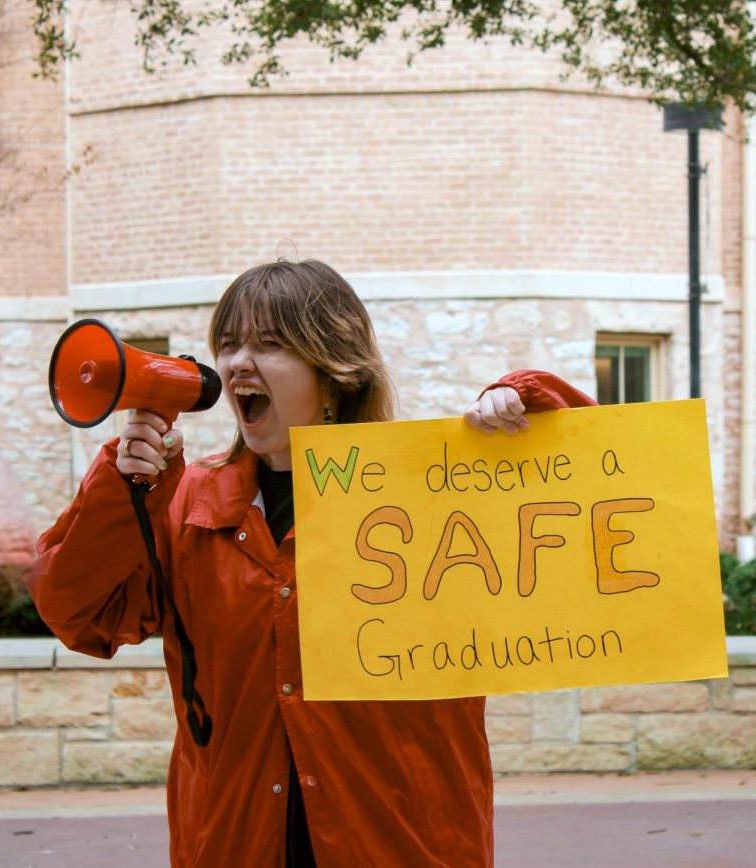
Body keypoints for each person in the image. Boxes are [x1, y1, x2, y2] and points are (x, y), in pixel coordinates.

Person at [30, 259, 596, 868]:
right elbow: (77, 615)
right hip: (233, 843)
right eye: (228, 343)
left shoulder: (428, 491)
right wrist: (121, 491)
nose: (238, 362)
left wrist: (529, 402)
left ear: (333, 372)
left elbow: (594, 503)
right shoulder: (185, 504)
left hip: (404, 845)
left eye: (269, 344)